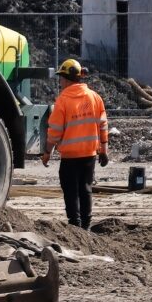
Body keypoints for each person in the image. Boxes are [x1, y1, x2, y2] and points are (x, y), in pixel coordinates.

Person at [45, 58, 109, 229]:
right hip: (89, 155)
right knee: (86, 189)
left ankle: (75, 225)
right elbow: (103, 125)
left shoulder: (63, 100)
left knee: (71, 191)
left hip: (70, 156)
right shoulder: (94, 97)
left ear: (66, 79)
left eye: (60, 78)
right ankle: (86, 227)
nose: (59, 82)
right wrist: (104, 150)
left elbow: (55, 132)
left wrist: (47, 153)